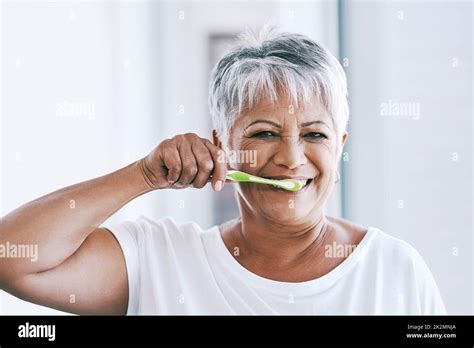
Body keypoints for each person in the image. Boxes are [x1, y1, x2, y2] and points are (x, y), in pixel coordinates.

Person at [0, 27, 446, 315]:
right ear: (221, 146)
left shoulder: (395, 270)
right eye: (264, 134)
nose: (291, 159)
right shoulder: (162, 261)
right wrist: (144, 175)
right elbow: (12, 258)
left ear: (340, 147)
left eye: (315, 135)